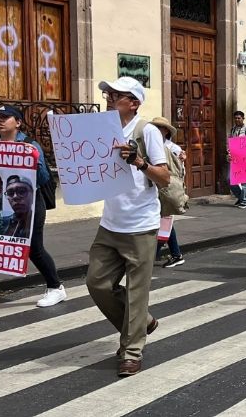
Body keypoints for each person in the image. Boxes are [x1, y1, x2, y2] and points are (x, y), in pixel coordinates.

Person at [91, 77, 170, 377]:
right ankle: (143, 321)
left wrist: (138, 161)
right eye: (108, 93)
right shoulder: (102, 129)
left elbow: (164, 178)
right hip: (110, 224)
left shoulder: (146, 131)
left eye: (116, 94)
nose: (109, 97)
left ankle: (131, 350)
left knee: (137, 293)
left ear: (133, 102)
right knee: (96, 283)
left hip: (140, 225)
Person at [0, 105, 67, 324]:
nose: (0, 120)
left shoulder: (29, 145)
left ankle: (56, 287)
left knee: (34, 249)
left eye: (5, 117)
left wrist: (34, 161)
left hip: (30, 206)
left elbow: (44, 179)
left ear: (18, 122)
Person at [151, 117, 186, 268]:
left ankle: (157, 253)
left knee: (164, 220)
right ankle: (174, 254)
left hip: (166, 189)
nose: (157, 130)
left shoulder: (173, 148)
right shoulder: (150, 145)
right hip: (154, 188)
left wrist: (182, 160)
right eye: (155, 127)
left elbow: (180, 172)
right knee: (162, 221)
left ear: (166, 131)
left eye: (160, 127)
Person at [227, 110, 246, 209]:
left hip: (245, 159)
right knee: (229, 179)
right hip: (234, 159)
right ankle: (240, 197)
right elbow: (229, 143)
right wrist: (229, 152)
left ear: (243, 118)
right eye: (235, 118)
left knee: (243, 180)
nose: (237, 120)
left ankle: (244, 201)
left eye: (239, 118)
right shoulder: (233, 129)